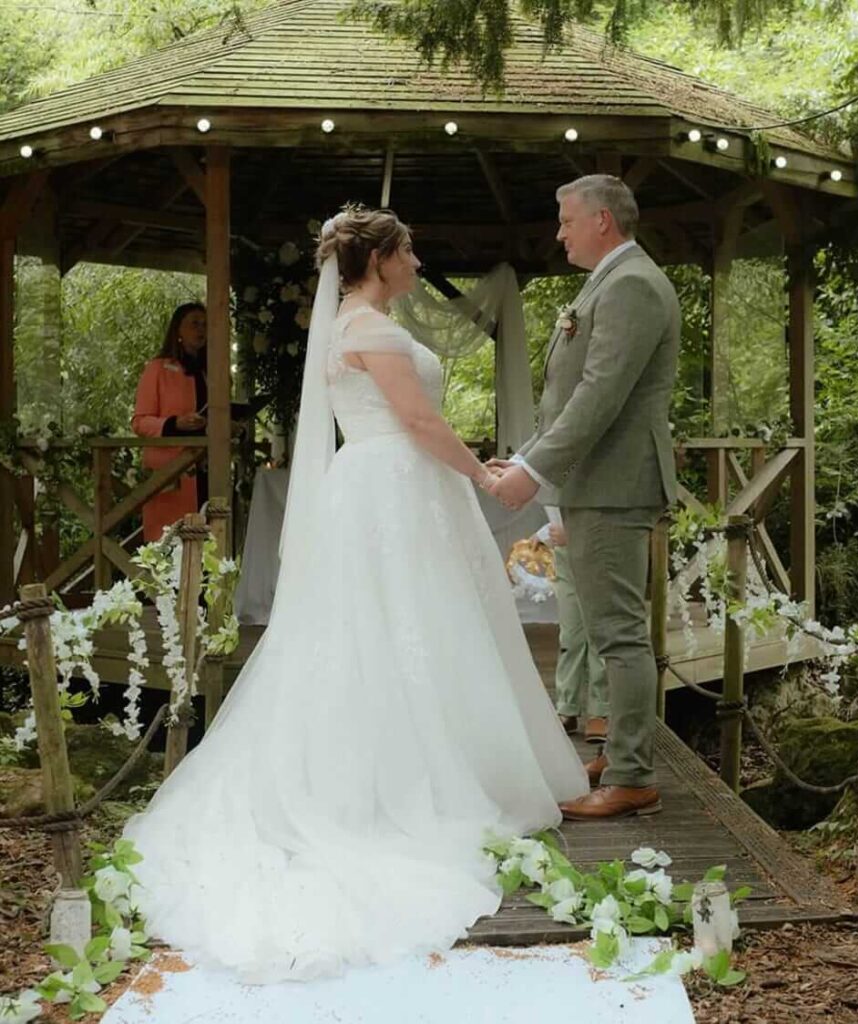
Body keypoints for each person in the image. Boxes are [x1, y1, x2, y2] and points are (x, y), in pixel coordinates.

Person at [123, 206, 587, 983]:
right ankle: (407, 777)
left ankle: (429, 753)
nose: (415, 262)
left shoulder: (351, 322)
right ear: (380, 260)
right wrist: (484, 476)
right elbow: (415, 418)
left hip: (384, 487)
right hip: (393, 487)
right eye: (408, 251)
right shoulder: (369, 329)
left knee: (403, 629)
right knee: (402, 624)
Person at [489, 175, 680, 821]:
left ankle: (631, 775)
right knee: (605, 632)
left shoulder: (630, 285)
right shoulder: (612, 281)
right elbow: (572, 397)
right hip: (598, 482)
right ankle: (621, 754)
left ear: (602, 220)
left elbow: (600, 395)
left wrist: (533, 471)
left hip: (615, 484)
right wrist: (521, 458)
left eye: (567, 220)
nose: (560, 232)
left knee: (619, 635)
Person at [131, 303, 208, 542]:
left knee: (209, 551)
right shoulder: (157, 369)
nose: (201, 329)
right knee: (169, 549)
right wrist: (175, 424)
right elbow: (139, 422)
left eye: (205, 324)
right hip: (171, 475)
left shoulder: (212, 372)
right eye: (194, 323)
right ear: (178, 330)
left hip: (208, 470)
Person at [535, 515, 609, 741]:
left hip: (597, 550)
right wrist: (543, 535)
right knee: (570, 636)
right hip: (564, 557)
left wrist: (575, 533)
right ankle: (567, 705)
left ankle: (600, 710)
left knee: (597, 634)